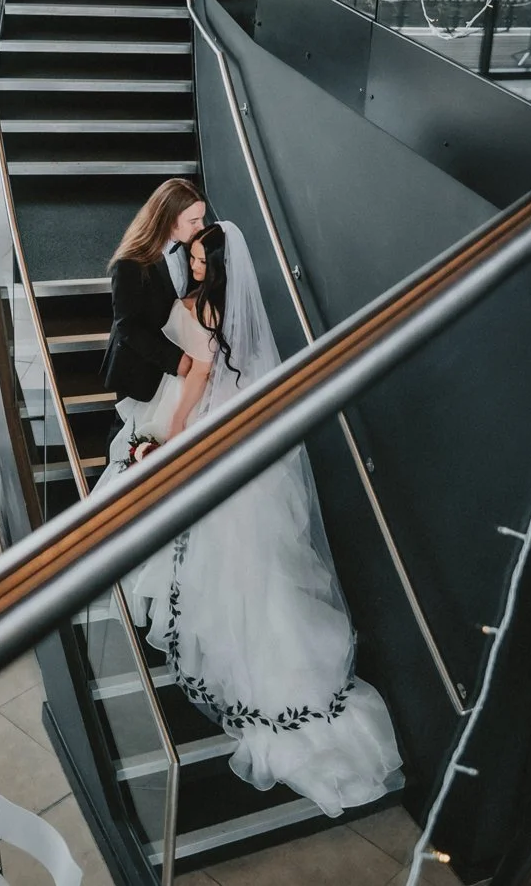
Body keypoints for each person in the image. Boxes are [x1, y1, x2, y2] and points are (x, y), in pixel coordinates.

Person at [105, 220, 404, 817]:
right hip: (243, 450)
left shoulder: (205, 315)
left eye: (194, 258)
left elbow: (191, 390)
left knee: (224, 570)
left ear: (212, 267)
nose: (189, 266)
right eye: (188, 255)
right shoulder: (232, 314)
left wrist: (164, 444)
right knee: (263, 571)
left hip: (204, 437)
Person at [100, 178, 208, 438]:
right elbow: (128, 327)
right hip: (142, 367)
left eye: (201, 219)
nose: (201, 227)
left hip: (177, 370)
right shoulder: (130, 263)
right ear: (170, 220)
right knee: (131, 438)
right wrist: (175, 360)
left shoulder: (188, 249)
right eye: (194, 221)